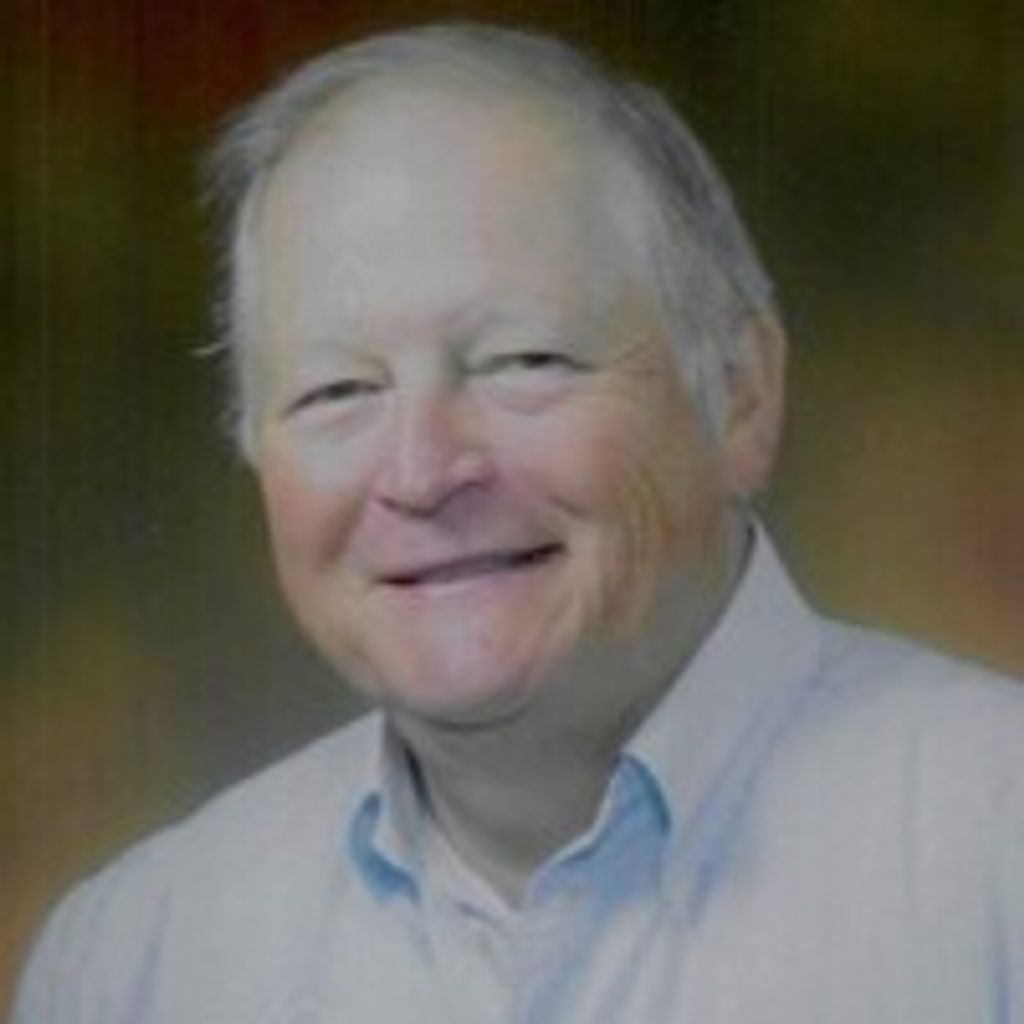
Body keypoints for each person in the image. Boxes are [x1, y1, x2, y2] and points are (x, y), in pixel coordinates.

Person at [13, 22, 1024, 1023]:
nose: (420, 474)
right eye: (336, 391)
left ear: (739, 394)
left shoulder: (996, 846)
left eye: (523, 362)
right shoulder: (134, 962)